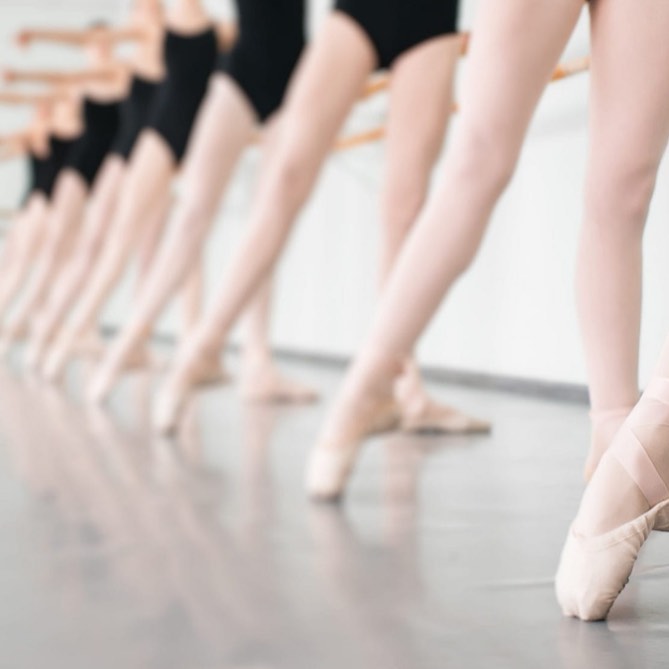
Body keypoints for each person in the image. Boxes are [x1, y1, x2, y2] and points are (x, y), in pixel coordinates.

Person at [150, 0, 491, 436]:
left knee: (405, 206)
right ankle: (205, 346)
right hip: (359, 14)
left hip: (431, 20)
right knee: (286, 179)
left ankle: (403, 387)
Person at [88, 0, 317, 405]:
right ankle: (127, 345)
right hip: (241, 75)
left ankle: (257, 361)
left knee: (269, 220)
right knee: (191, 218)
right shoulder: (172, 21)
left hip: (293, 76)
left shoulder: (211, 27)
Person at [41, 0, 234, 383]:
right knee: (119, 241)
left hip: (191, 143)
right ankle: (73, 331)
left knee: (181, 244)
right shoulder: (149, 40)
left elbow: (249, 61)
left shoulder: (213, 32)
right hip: (152, 145)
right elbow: (92, 42)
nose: (148, 10)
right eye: (141, 7)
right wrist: (40, 36)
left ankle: (183, 341)